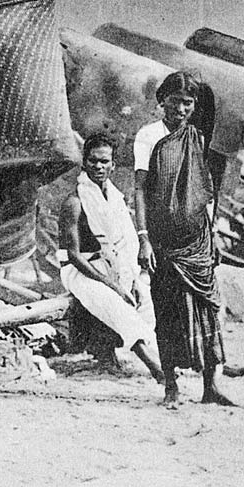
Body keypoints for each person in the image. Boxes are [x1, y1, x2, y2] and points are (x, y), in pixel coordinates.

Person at [134, 71, 235, 408]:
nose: (181, 109)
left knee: (207, 310)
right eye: (175, 102)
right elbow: (139, 189)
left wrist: (215, 235)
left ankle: (211, 387)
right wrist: (144, 238)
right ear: (162, 101)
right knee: (167, 310)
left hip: (198, 239)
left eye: (187, 103)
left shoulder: (196, 137)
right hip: (164, 240)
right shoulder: (148, 137)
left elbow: (204, 191)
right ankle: (171, 388)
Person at [57, 132, 163, 381]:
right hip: (81, 271)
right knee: (115, 304)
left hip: (112, 265)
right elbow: (73, 255)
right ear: (84, 163)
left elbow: (126, 243)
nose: (99, 166)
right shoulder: (74, 202)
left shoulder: (114, 199)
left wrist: (132, 280)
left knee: (147, 300)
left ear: (113, 165)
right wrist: (112, 285)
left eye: (105, 161)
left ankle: (176, 362)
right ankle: (158, 371)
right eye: (93, 160)